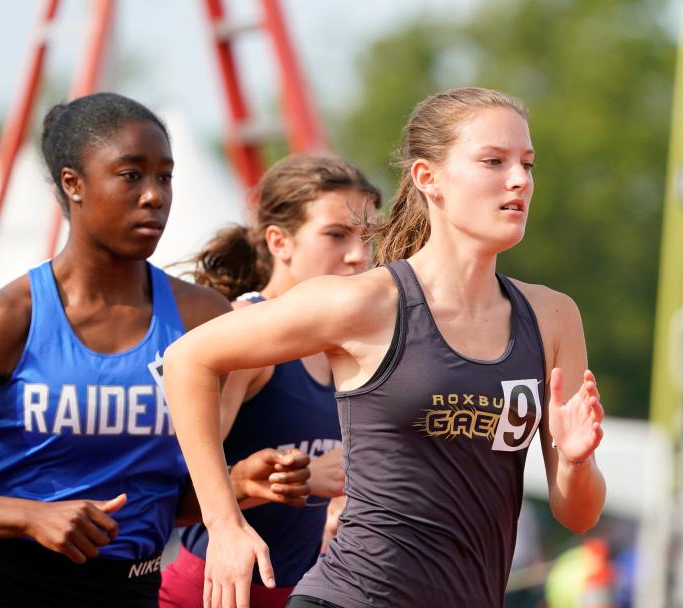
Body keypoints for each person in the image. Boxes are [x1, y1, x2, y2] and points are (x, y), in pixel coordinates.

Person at [163, 87, 607, 608]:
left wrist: (576, 462)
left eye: (527, 164)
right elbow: (187, 359)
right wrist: (224, 522)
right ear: (428, 179)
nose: (519, 181)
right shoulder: (365, 303)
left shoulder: (553, 317)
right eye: (493, 161)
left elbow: (578, 514)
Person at [0, 92, 310, 608]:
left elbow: (159, 502)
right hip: (3, 588)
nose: (154, 196)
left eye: (164, 177)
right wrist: (30, 516)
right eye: (131, 175)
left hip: (131, 589)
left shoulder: (201, 319)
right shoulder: (7, 319)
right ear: (72, 184)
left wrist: (237, 482)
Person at [159, 153, 381, 608]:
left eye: (368, 236)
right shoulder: (244, 331)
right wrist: (288, 481)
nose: (359, 255)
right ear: (280, 241)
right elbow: (173, 489)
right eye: (336, 235)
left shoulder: (345, 340)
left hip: (301, 592)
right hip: (213, 592)